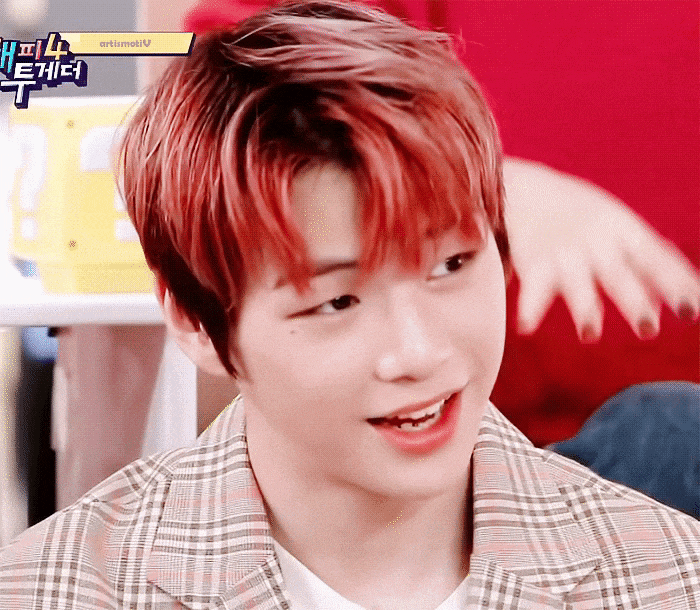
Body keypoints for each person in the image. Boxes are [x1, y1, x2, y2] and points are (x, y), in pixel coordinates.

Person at [1, 2, 698, 608]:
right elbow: (248, 62)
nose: (417, 353)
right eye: (336, 302)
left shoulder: (669, 572)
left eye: (452, 264)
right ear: (193, 320)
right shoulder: (56, 588)